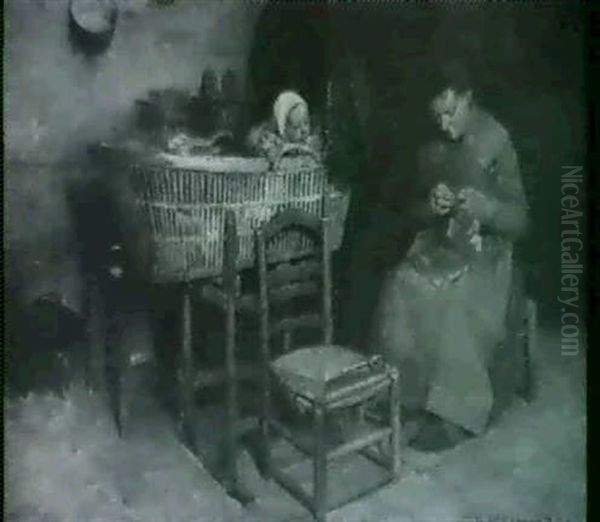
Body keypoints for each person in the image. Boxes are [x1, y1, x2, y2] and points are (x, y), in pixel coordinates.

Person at [370, 61, 529, 449]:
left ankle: (453, 415)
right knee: (401, 282)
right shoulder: (432, 146)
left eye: (450, 112)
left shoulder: (496, 139)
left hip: (488, 256)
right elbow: (413, 211)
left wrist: (489, 209)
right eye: (437, 117)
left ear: (467, 98)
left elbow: (521, 220)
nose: (443, 124)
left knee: (453, 297)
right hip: (442, 245)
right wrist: (430, 205)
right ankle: (407, 397)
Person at [246, 90, 323, 164]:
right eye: (296, 127)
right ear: (284, 129)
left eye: (306, 123)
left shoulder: (311, 140)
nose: (303, 130)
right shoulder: (274, 142)